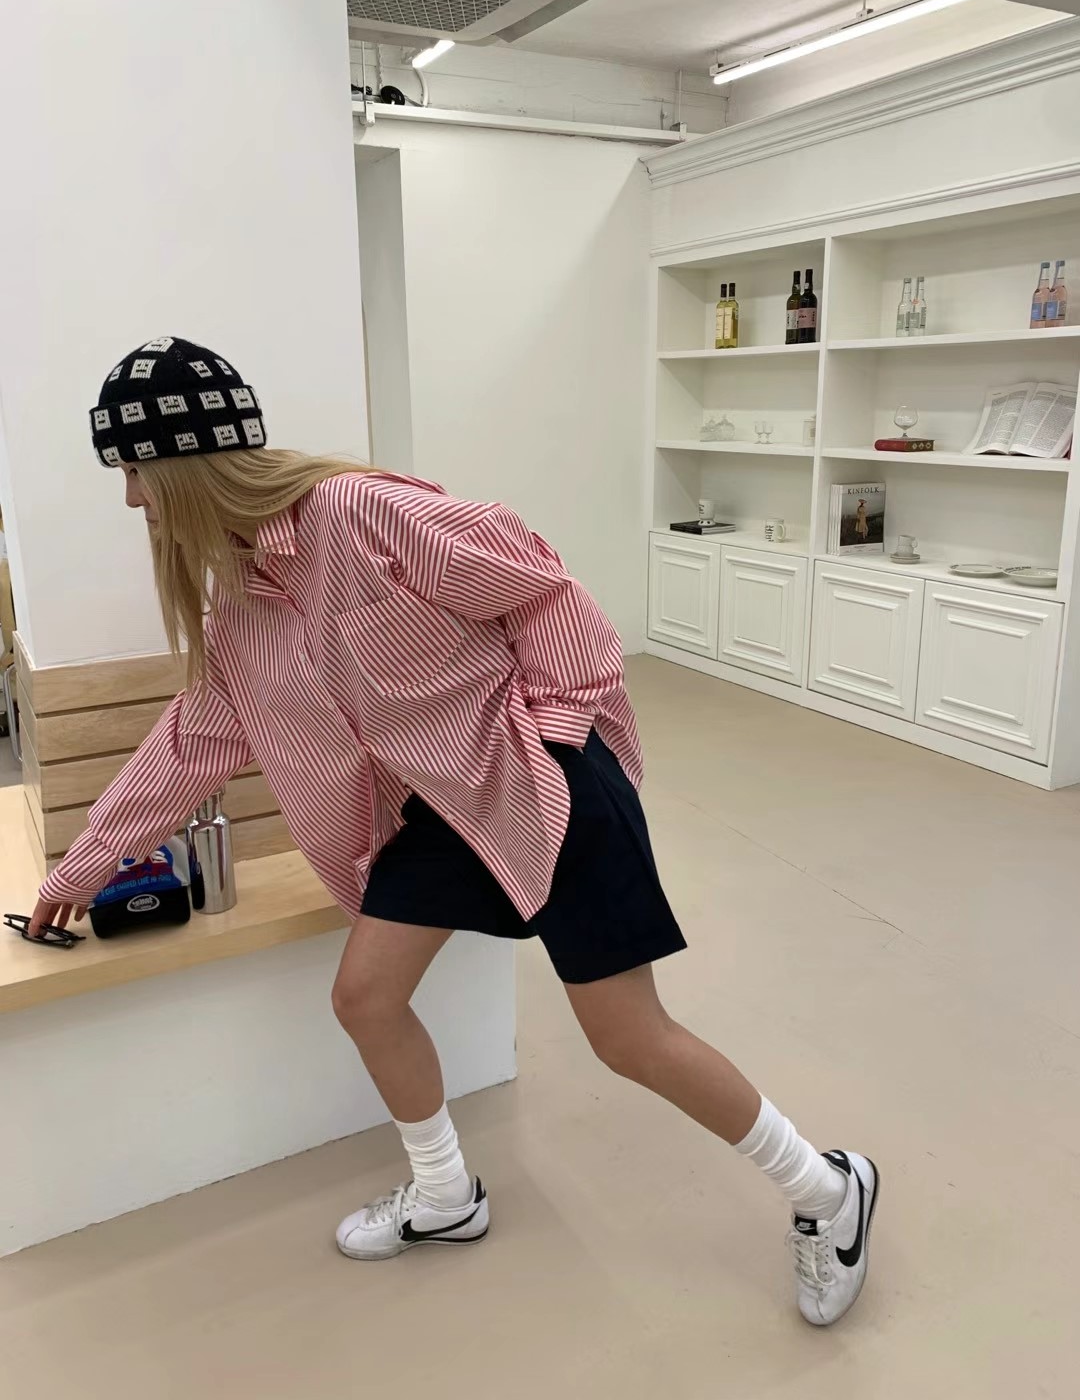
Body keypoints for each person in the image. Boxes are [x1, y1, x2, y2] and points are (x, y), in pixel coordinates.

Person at [32, 338, 879, 1326]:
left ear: (188, 463)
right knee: (365, 996)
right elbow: (196, 739)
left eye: (134, 471)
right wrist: (80, 870)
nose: (131, 499)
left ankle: (828, 1190)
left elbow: (542, 589)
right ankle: (445, 1195)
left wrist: (557, 728)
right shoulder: (243, 612)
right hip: (443, 808)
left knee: (628, 1038)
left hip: (545, 780)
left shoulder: (359, 513)